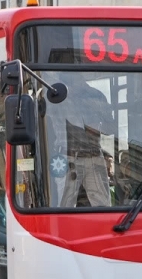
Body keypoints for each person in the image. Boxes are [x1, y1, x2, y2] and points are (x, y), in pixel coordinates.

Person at [50, 72, 117, 208]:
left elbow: (111, 128)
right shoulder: (57, 96)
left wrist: (95, 125)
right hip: (66, 157)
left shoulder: (96, 96)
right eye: (69, 80)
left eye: (74, 78)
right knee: (63, 206)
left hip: (93, 156)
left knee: (103, 206)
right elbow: (46, 122)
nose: (74, 82)